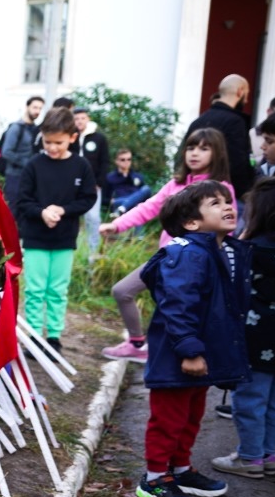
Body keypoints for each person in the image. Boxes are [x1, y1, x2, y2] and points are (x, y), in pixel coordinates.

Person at [135, 181, 247, 497]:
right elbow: (177, 304)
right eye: (215, 203)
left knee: (191, 415)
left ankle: (180, 469)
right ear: (191, 222)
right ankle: (154, 477)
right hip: (181, 356)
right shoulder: (186, 253)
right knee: (168, 418)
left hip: (200, 356)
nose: (227, 206)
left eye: (228, 200)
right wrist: (189, 349)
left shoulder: (217, 250)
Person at [99, 129, 235, 362]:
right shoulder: (176, 184)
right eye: (191, 148)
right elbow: (150, 206)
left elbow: (228, 228)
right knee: (122, 291)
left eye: (203, 148)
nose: (194, 154)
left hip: (196, 265)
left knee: (175, 307)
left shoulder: (220, 189)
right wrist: (118, 224)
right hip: (166, 258)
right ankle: (136, 343)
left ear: (217, 153)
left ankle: (173, 353)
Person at [15, 106, 98, 351]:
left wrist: (63, 210)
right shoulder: (34, 165)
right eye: (48, 142)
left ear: (72, 138)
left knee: (57, 290)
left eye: (58, 143)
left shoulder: (81, 166)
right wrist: (41, 212)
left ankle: (53, 335)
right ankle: (32, 335)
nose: (52, 147)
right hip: (35, 239)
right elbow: (23, 200)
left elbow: (87, 199)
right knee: (35, 289)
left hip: (64, 239)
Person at [210, 178, 275, 478]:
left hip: (255, 335)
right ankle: (271, 454)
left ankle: (249, 457)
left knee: (250, 398)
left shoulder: (250, 249)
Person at [186, 74, 254, 197]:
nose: (247, 100)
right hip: (225, 193)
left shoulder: (198, 121)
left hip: (194, 190)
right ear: (240, 92)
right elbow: (238, 161)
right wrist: (246, 192)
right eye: (247, 95)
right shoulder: (235, 122)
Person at [74, 107, 110, 257]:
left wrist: (99, 182)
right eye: (76, 118)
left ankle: (92, 251)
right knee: (73, 216)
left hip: (92, 185)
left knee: (93, 217)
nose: (80, 121)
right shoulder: (70, 138)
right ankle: (74, 250)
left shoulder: (98, 138)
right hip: (73, 185)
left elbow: (104, 161)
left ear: (88, 119)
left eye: (82, 118)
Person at [0, 95, 44, 204]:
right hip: (14, 176)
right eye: (35, 107)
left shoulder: (35, 129)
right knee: (14, 208)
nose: (37, 111)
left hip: (29, 176)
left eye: (40, 108)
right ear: (27, 107)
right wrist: (27, 163)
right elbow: (6, 152)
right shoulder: (16, 128)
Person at [104, 149, 152, 215]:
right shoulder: (109, 177)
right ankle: (124, 207)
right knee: (136, 206)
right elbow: (104, 199)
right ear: (116, 161)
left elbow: (144, 195)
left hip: (134, 202)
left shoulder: (137, 176)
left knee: (146, 189)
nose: (126, 162)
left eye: (129, 159)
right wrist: (111, 201)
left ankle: (123, 207)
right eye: (123, 160)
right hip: (120, 201)